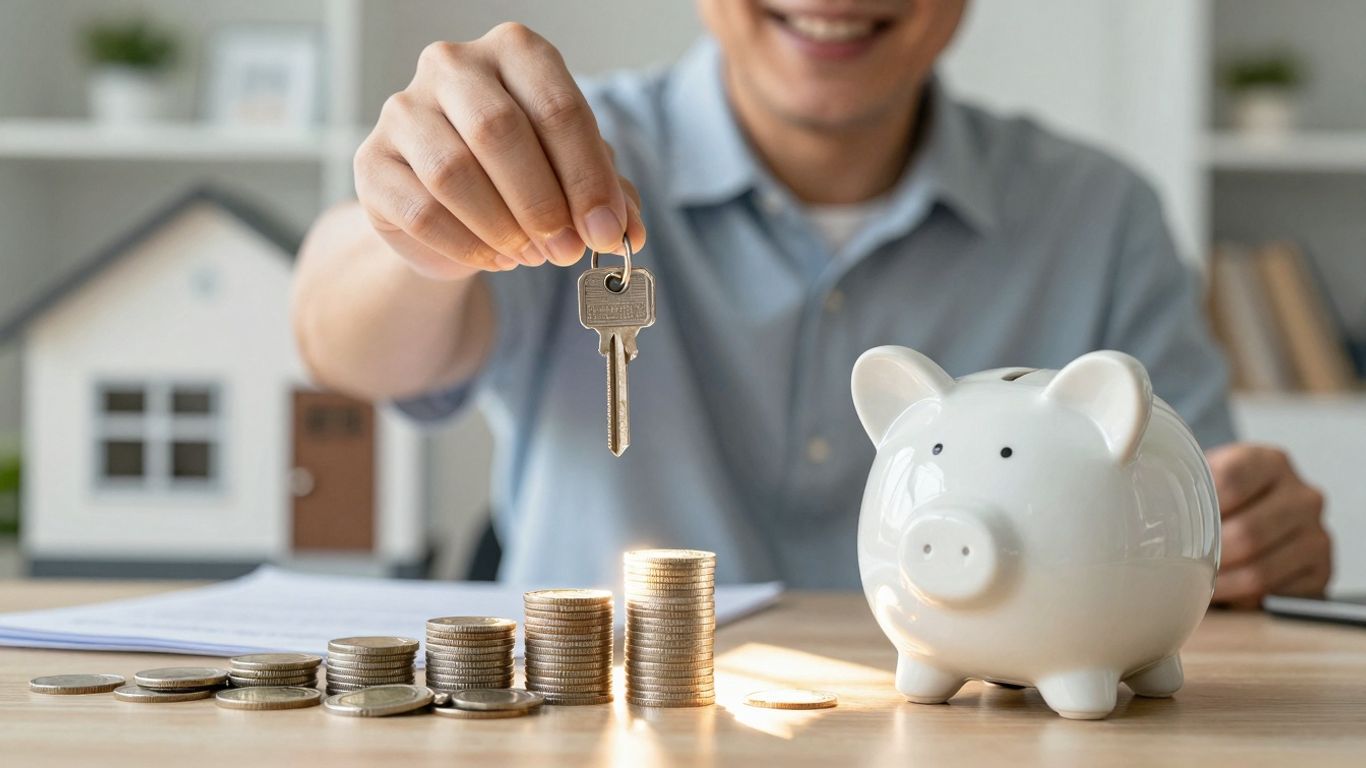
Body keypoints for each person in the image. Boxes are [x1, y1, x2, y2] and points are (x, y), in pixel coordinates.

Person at [293, 0, 1330, 603]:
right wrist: (409, 230)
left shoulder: (1101, 215)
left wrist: (1241, 540)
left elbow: (1197, 525)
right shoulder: (544, 153)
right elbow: (344, 345)